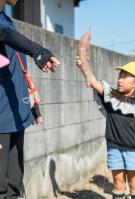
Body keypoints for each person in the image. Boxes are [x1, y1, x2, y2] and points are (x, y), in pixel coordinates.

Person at [0, 0, 60, 198]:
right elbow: (5, 34)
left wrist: (33, 106)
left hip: (16, 115)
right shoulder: (5, 27)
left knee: (14, 185)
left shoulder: (7, 20)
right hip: (1, 121)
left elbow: (17, 69)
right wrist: (38, 50)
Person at [76, 48, 135, 199]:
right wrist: (84, 66)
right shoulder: (112, 97)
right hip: (114, 148)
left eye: (124, 76)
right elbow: (93, 82)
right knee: (118, 182)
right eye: (120, 75)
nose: (119, 79)